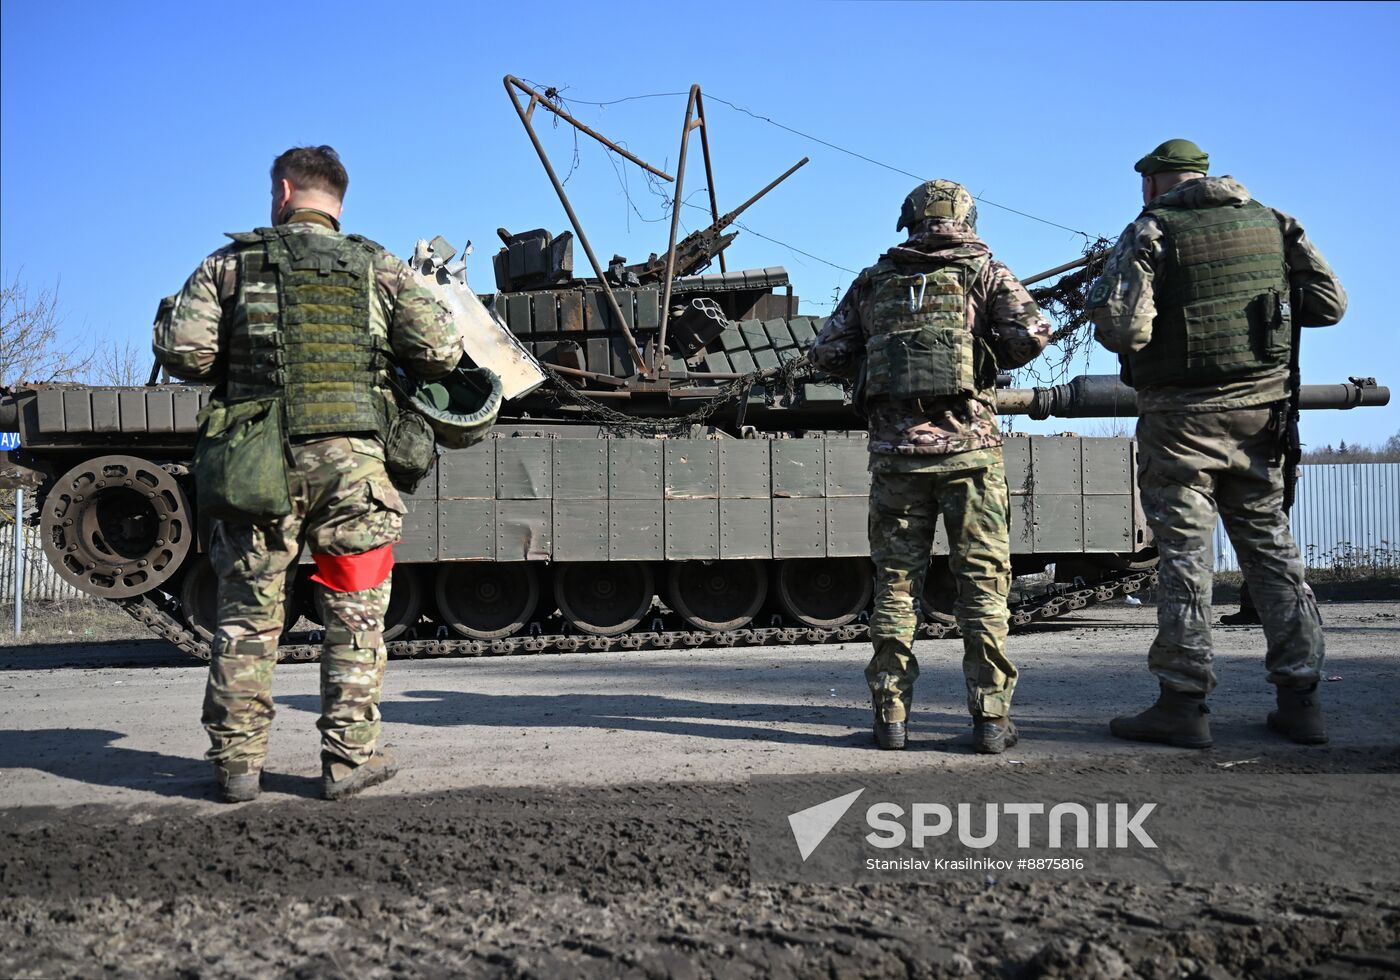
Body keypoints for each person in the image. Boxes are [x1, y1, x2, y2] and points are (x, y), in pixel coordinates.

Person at [154, 146, 461, 802]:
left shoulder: (228, 265)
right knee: (354, 612)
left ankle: (237, 768)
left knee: (247, 614)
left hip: (255, 463)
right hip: (352, 471)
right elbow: (440, 351)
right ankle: (348, 762)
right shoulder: (378, 267)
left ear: (284, 191)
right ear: (338, 203)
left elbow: (183, 350)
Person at [1086, 139, 1346, 748]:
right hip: (1262, 416)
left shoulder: (1152, 229)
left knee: (1185, 557)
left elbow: (1124, 326)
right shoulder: (1275, 222)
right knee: (1273, 554)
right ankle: (1301, 700)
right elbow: (1328, 306)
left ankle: (1183, 703)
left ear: (1154, 184)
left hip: (1181, 422)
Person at [809, 180, 1051, 754]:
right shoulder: (984, 271)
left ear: (912, 220)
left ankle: (891, 717)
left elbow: (824, 354)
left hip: (896, 461)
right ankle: (990, 720)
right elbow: (1032, 335)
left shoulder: (875, 280)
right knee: (983, 589)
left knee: (895, 589)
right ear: (967, 217)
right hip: (970, 457)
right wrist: (982, 350)